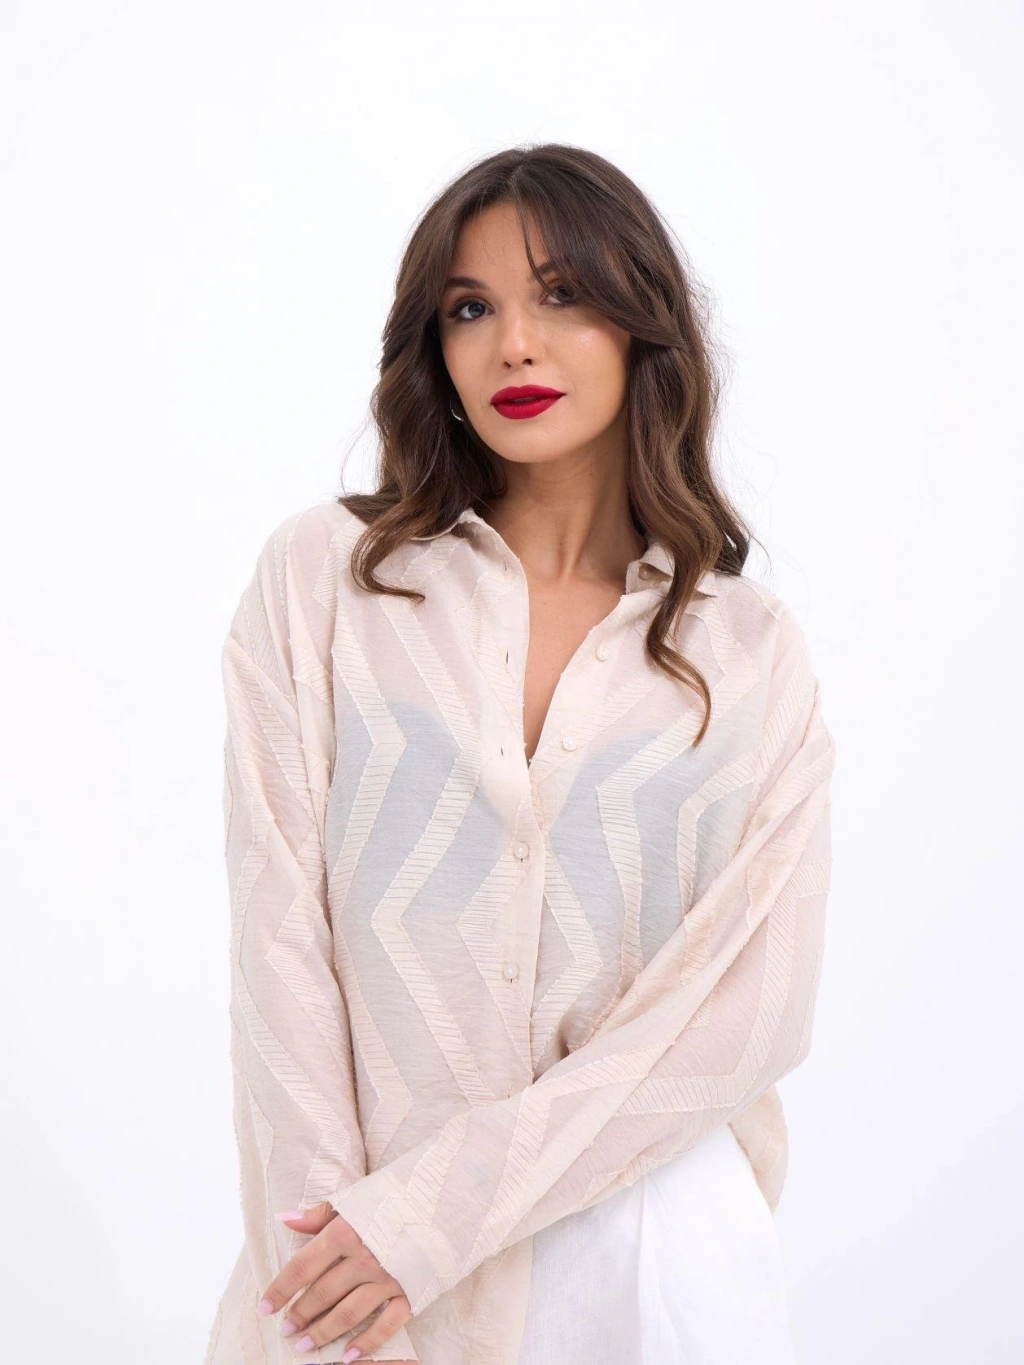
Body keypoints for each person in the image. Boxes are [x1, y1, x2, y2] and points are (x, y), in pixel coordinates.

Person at [204, 143, 836, 1365]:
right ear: (430, 347)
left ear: (642, 327)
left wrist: (433, 1221)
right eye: (469, 309)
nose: (514, 346)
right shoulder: (325, 583)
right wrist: (341, 1263)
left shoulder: (749, 650)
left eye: (561, 295)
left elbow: (747, 1010)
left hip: (644, 1246)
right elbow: (277, 940)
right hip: (350, 1245)